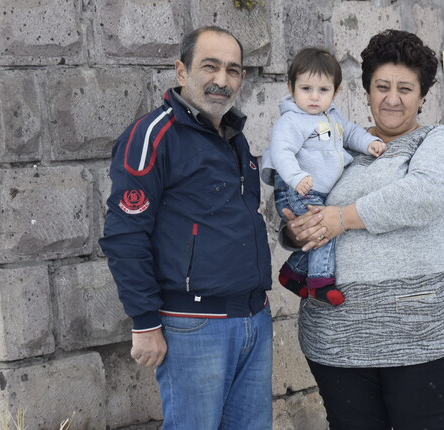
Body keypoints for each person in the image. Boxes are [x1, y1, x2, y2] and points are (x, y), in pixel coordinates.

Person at [281, 29, 444, 429]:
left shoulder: (437, 141)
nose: (392, 98)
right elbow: (292, 198)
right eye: (382, 86)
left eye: (405, 88)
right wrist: (295, 230)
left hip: (418, 335)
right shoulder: (335, 144)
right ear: (366, 91)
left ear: (422, 96)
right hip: (336, 339)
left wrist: (340, 218)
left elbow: (422, 194)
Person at [99, 26, 273, 429]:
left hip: (254, 318)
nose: (222, 80)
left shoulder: (233, 136)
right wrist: (145, 321)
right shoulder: (152, 135)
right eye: (210, 66)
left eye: (232, 70)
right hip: (194, 325)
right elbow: (125, 235)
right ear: (182, 71)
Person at [261, 47, 386, 306]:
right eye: (306, 88)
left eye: (323, 90)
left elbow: (351, 133)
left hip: (315, 190)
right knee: (323, 228)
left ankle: (293, 272)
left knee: (321, 229)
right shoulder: (292, 120)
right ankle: (320, 283)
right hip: (297, 188)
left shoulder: (333, 116)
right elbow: (281, 151)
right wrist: (296, 177)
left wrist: (369, 143)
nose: (314, 97)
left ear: (336, 91)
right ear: (291, 87)